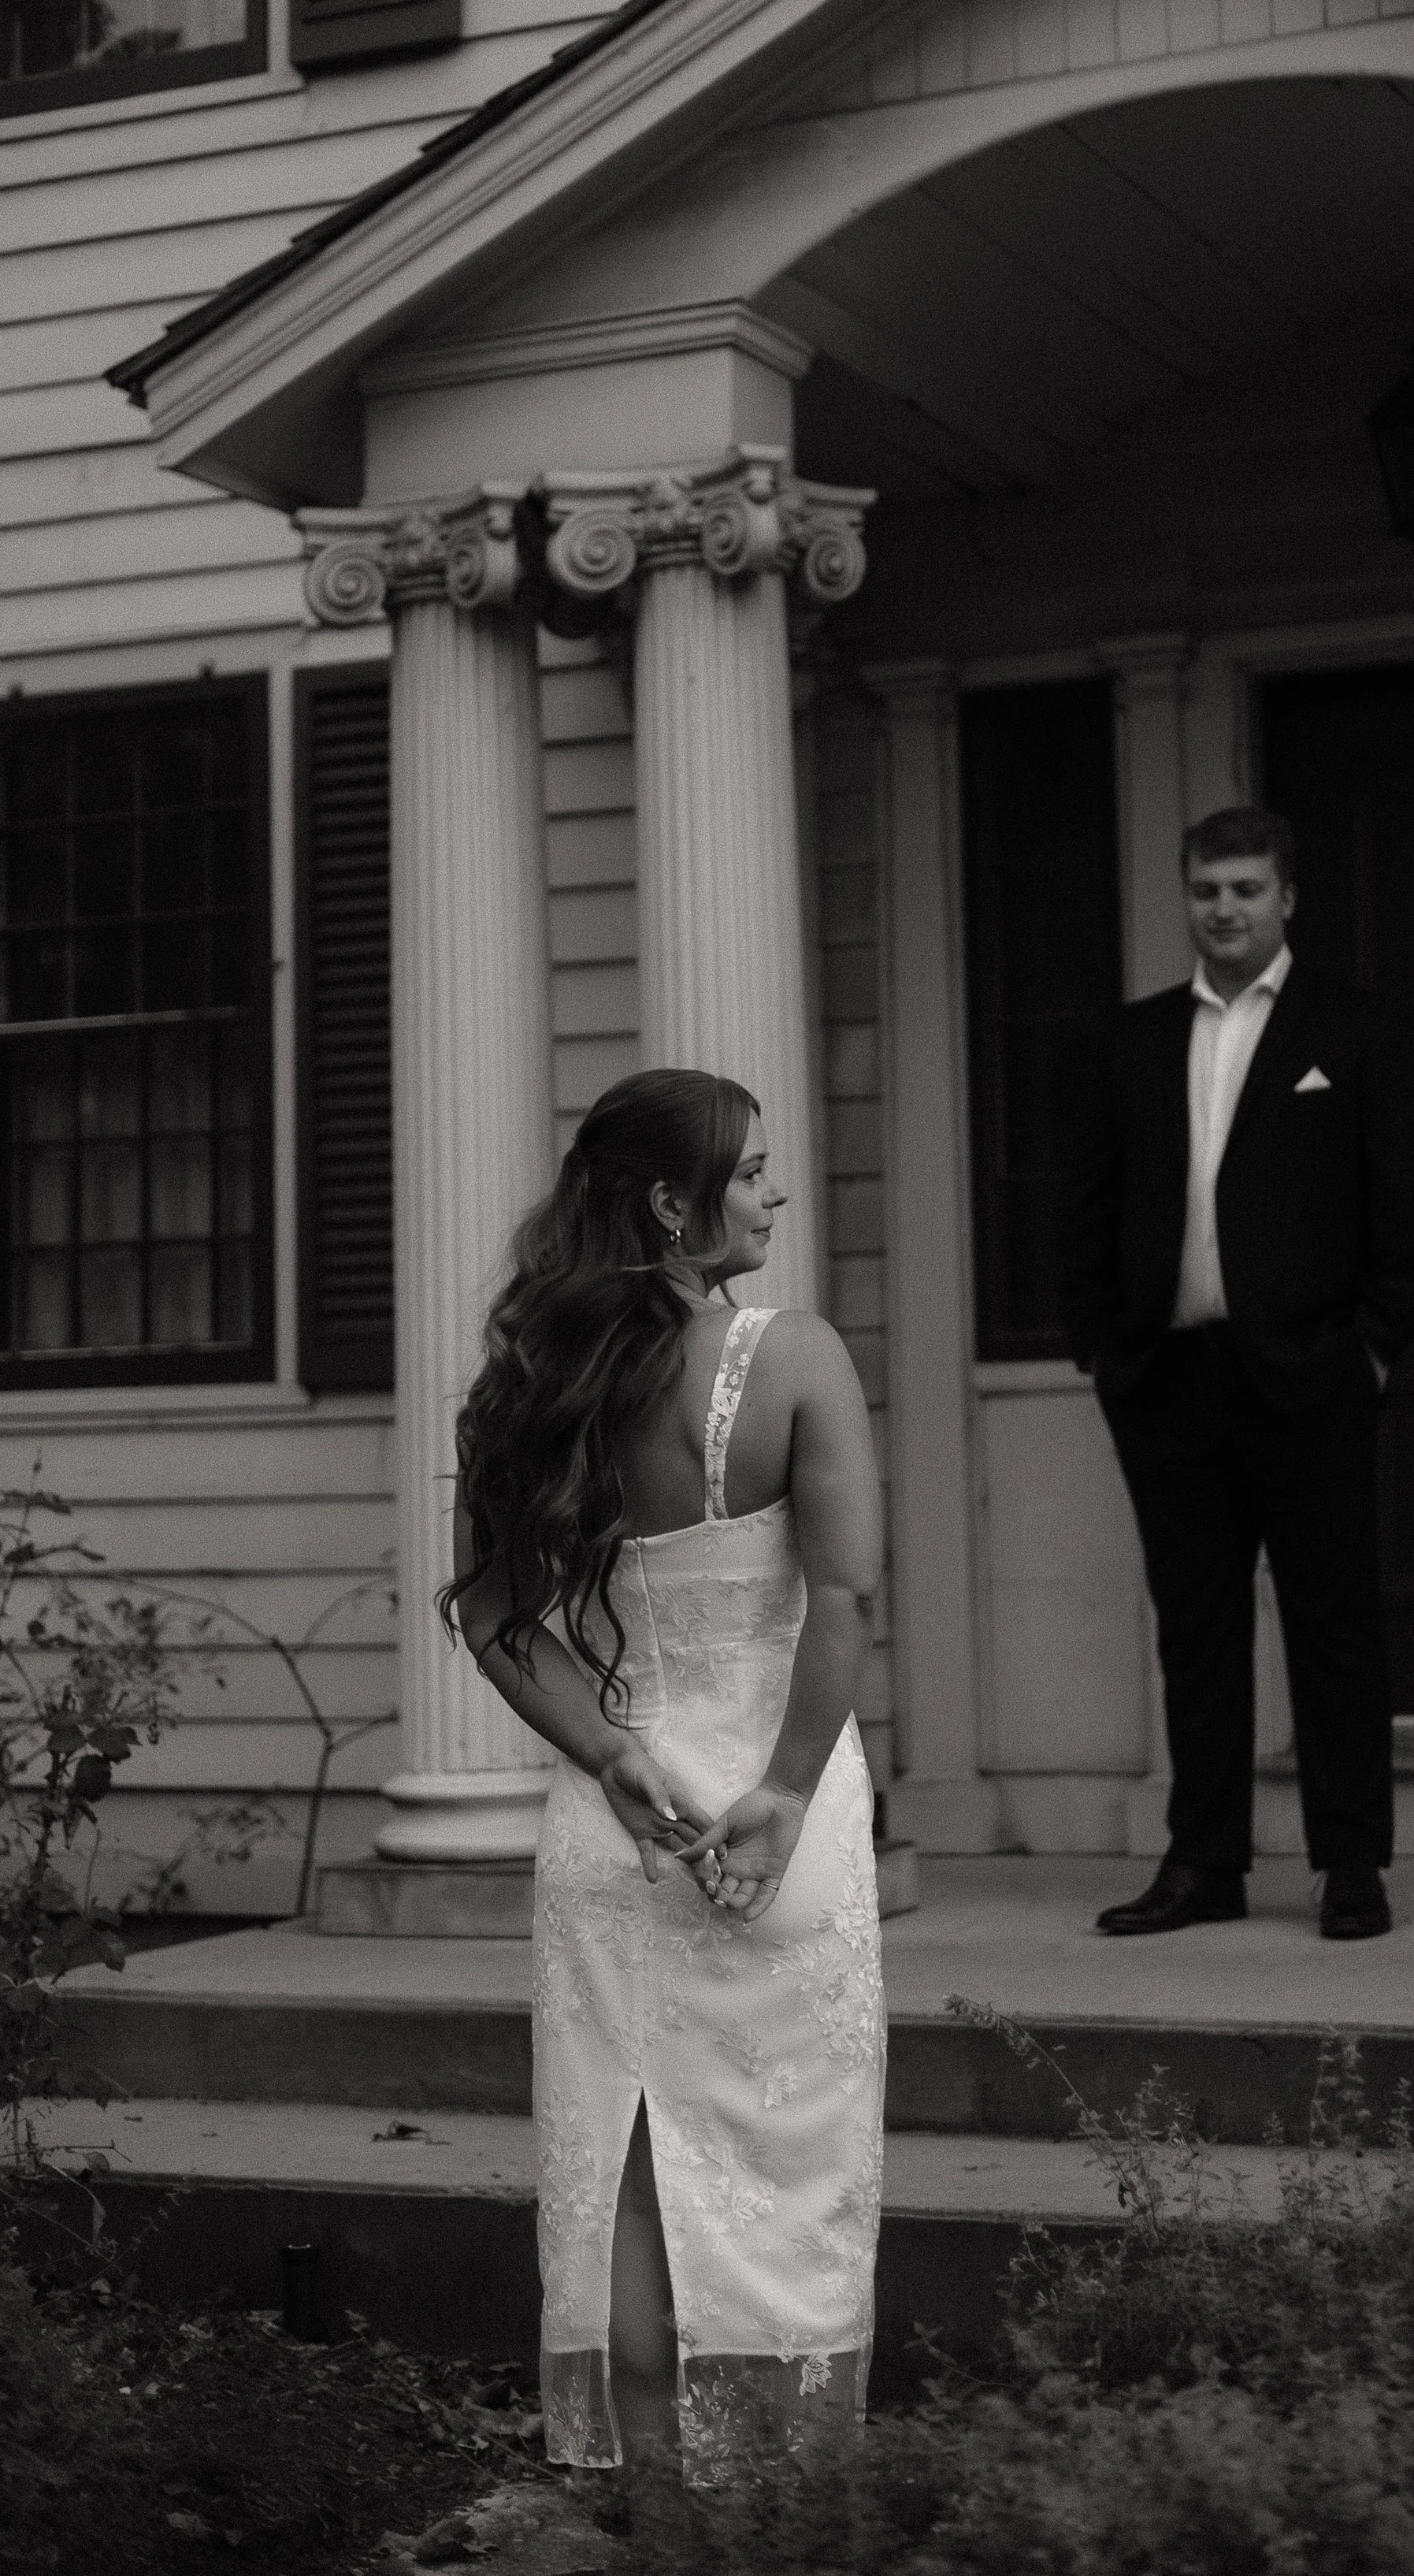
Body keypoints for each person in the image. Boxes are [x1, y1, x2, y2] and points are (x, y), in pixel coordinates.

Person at [445, 1068, 885, 2504]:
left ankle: (657, 2513)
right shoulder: (798, 1357)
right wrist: (785, 1789)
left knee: (627, 2182)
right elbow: (847, 1599)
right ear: (670, 1204)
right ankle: (785, 2516)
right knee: (792, 2181)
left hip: (618, 1824)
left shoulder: (527, 1383)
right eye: (750, 1172)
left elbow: (499, 1620)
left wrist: (615, 1753)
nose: (771, 1194)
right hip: (782, 1807)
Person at [1064, 806, 1414, 1942]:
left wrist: (1370, 1347)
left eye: (1245, 888)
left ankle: (1351, 1862)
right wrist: (1104, 1349)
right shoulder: (1132, 1040)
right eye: (1206, 890)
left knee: (1334, 1620)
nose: (1224, 908)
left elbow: (1405, 1202)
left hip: (1312, 1372)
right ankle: (1205, 1862)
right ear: (1186, 899)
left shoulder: (1356, 1026)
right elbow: (1085, 1206)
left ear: (1288, 898)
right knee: (1197, 1628)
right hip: (1168, 1379)